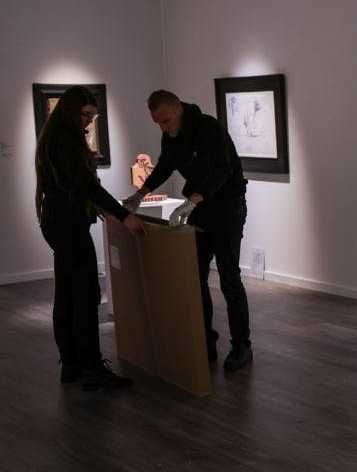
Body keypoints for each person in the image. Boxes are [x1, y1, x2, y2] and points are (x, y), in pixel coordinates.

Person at [124, 90, 253, 372]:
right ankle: (205, 340)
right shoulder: (171, 138)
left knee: (230, 277)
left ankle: (242, 346)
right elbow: (165, 166)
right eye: (158, 123)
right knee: (196, 277)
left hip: (228, 207)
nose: (164, 127)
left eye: (167, 121)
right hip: (200, 209)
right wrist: (141, 194)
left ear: (179, 108)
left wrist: (192, 201)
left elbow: (222, 169)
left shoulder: (209, 128)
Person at [35, 85, 148, 390]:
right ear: (71, 111)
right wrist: (125, 215)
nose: (89, 121)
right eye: (85, 114)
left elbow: (73, 187)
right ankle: (92, 370)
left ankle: (71, 365)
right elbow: (87, 186)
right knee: (85, 297)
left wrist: (95, 207)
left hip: (57, 224)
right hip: (68, 228)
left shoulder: (52, 138)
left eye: (93, 115)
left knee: (68, 294)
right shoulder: (66, 141)